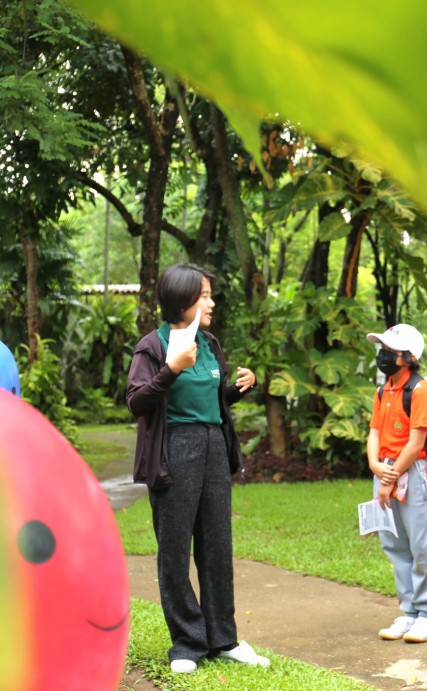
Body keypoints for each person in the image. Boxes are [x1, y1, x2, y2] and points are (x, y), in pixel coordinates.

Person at [126, 263, 267, 674]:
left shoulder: (209, 343)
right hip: (174, 449)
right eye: (203, 295)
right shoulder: (152, 347)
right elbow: (136, 401)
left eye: (209, 294)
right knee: (174, 550)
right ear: (182, 299)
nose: (211, 302)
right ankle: (188, 642)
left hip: (213, 448)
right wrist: (171, 368)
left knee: (216, 546)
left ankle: (223, 639)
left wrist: (237, 389)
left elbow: (212, 399)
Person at [366, 323, 427, 644]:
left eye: (390, 351)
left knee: (421, 545)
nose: (383, 356)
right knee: (394, 544)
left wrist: (390, 475)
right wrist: (375, 466)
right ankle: (409, 611)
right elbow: (374, 432)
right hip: (385, 470)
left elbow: (416, 443)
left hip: (413, 472)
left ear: (409, 357)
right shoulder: (383, 391)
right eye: (382, 349)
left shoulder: (420, 391)